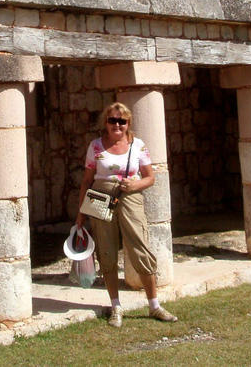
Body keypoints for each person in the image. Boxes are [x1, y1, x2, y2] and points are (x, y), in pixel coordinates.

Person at [75, 102, 178, 327]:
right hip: (100, 199)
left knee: (140, 247)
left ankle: (154, 305)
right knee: (107, 251)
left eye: (122, 121)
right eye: (112, 120)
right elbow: (86, 181)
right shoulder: (95, 147)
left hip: (129, 197)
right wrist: (80, 215)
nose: (117, 125)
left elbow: (150, 177)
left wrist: (135, 185)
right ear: (106, 122)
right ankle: (116, 306)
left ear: (128, 123)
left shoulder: (138, 145)